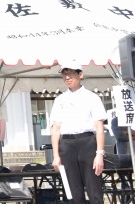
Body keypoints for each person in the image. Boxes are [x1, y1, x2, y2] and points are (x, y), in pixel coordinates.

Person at [50, 59, 106, 204]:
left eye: (71, 73)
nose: (67, 77)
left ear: (80, 74)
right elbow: (55, 129)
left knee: (94, 190)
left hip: (87, 143)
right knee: (73, 192)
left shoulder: (92, 97)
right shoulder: (60, 100)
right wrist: (55, 155)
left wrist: (99, 154)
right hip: (67, 144)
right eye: (64, 74)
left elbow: (99, 127)